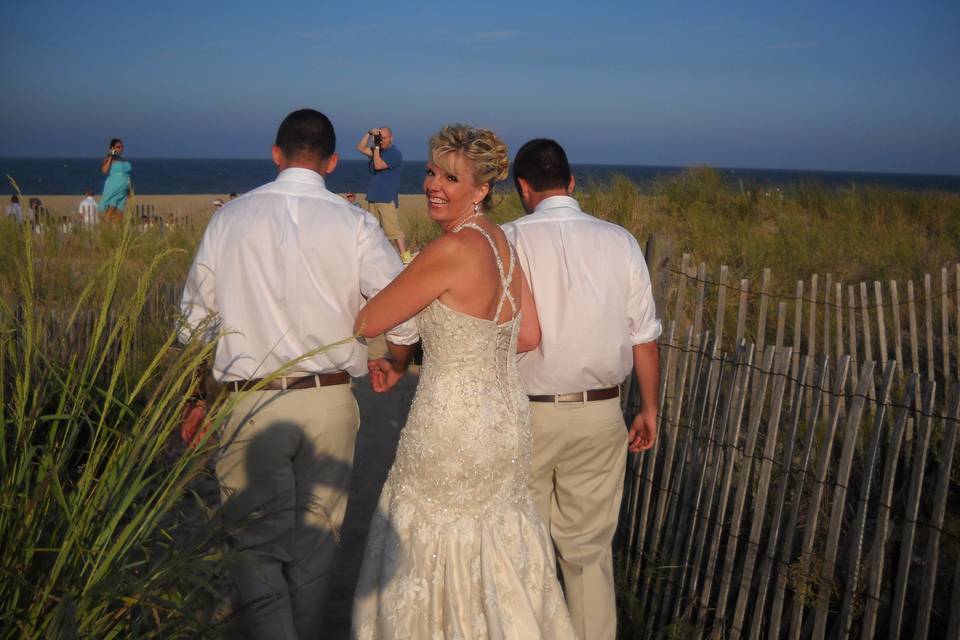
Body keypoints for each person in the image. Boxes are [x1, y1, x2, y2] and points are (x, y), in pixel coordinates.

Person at [179, 108, 418, 639]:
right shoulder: (354, 222)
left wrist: (198, 397)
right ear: (332, 162)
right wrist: (398, 360)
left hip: (249, 401)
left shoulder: (230, 219)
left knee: (254, 547)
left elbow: (195, 324)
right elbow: (401, 306)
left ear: (275, 154)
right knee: (317, 546)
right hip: (329, 399)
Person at [351, 124, 575, 639]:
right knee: (495, 536)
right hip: (506, 419)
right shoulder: (504, 245)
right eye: (431, 172)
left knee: (433, 534)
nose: (434, 185)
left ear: (481, 190)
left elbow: (371, 320)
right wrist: (463, 344)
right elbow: (528, 334)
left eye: (451, 178)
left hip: (451, 420)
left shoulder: (450, 250)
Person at [502, 138, 661, 640]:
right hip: (601, 412)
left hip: (523, 413)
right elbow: (644, 335)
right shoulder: (620, 240)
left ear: (524, 188)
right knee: (589, 553)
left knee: (520, 547)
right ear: (571, 183)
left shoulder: (506, 239)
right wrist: (649, 406)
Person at [356, 126, 410, 261]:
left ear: (391, 138)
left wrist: (376, 148)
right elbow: (361, 147)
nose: (382, 140)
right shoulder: (377, 151)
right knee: (373, 229)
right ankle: (380, 257)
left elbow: (378, 165)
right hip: (373, 196)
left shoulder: (394, 153)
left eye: (384, 138)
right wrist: (369, 134)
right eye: (380, 137)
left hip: (386, 197)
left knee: (393, 230)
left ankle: (406, 258)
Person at [98, 138, 132, 223]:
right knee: (111, 208)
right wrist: (110, 156)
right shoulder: (110, 159)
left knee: (120, 212)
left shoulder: (123, 160)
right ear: (113, 148)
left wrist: (129, 189)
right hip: (114, 185)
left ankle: (117, 233)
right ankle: (106, 230)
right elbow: (104, 171)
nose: (120, 149)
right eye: (118, 147)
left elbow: (127, 175)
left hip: (124, 188)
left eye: (122, 147)